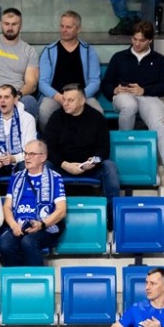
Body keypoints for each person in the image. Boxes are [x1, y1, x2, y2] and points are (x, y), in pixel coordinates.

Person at [100, 21, 164, 189]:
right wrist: (115, 89)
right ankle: (125, 149)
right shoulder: (119, 57)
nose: (137, 44)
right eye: (134, 39)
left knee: (159, 125)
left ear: (150, 40)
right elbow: (106, 84)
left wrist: (144, 90)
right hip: (123, 96)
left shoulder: (159, 60)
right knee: (129, 106)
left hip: (148, 97)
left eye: (142, 40)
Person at [44, 84, 120, 227]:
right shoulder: (56, 117)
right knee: (44, 167)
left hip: (90, 167)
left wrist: (94, 161)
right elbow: (49, 148)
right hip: (62, 166)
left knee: (110, 167)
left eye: (70, 100)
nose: (65, 103)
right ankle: (44, 215)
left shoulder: (97, 118)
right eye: (64, 99)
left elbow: (104, 149)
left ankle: (112, 220)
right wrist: (64, 164)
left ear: (82, 100)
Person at [0, 140, 67, 267]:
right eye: (26, 153)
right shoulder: (16, 177)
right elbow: (7, 207)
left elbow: (61, 210)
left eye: (32, 154)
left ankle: (35, 276)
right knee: (4, 244)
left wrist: (42, 224)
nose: (27, 157)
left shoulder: (55, 178)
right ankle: (18, 276)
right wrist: (13, 225)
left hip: (45, 227)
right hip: (19, 225)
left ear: (43, 157)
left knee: (28, 241)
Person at [37, 11, 103, 131]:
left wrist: (79, 97)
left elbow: (95, 81)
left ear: (78, 29)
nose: (64, 30)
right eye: (62, 26)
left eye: (68, 27)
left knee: (98, 112)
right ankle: (48, 141)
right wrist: (60, 97)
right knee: (44, 110)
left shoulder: (89, 51)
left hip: (82, 96)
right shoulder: (49, 51)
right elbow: (42, 83)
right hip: (56, 96)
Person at [0, 84, 37, 181]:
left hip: (18, 162)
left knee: (26, 165)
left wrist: (13, 158)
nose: (2, 100)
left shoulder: (27, 119)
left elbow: (31, 152)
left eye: (6, 97)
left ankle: (22, 190)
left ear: (15, 100)